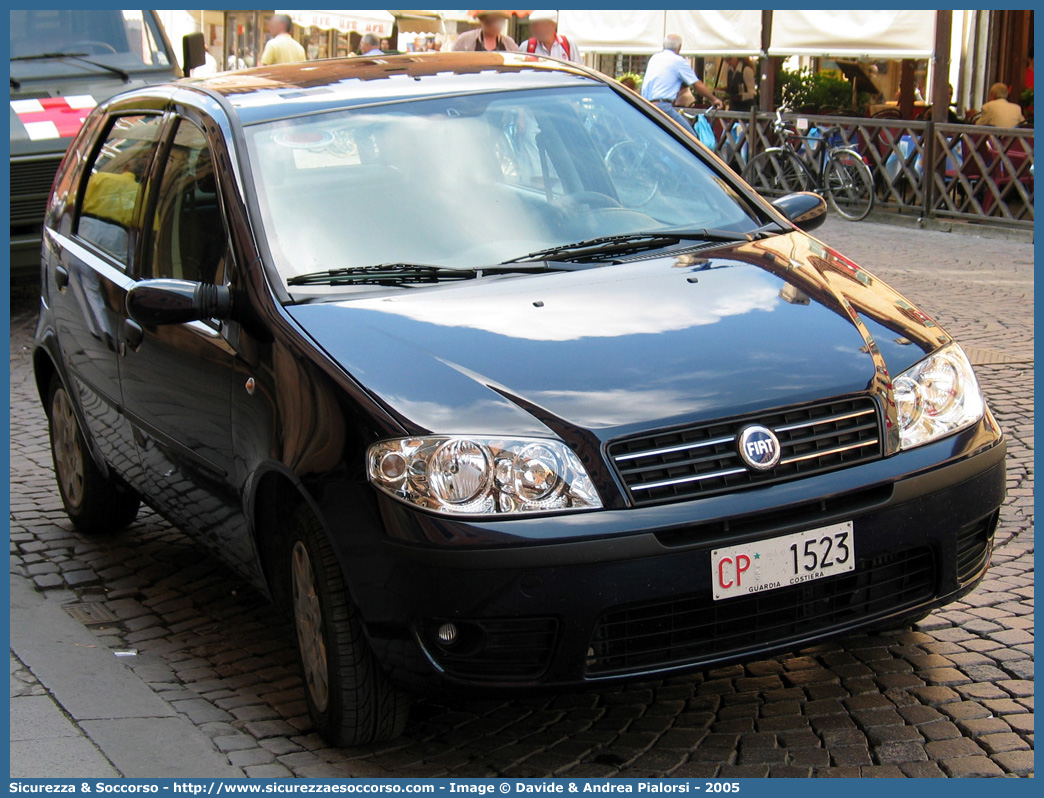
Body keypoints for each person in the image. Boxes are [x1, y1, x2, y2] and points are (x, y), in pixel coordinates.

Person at [642, 35, 723, 126]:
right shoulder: (678, 61)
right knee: (689, 136)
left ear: (664, 46)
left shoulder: (655, 58)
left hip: (646, 105)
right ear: (679, 47)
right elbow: (697, 85)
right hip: (662, 106)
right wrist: (714, 99)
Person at [452, 10, 519, 52]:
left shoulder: (509, 44)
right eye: (491, 20)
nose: (495, 25)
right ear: (482, 20)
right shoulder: (465, 40)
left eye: (500, 20)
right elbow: (453, 63)